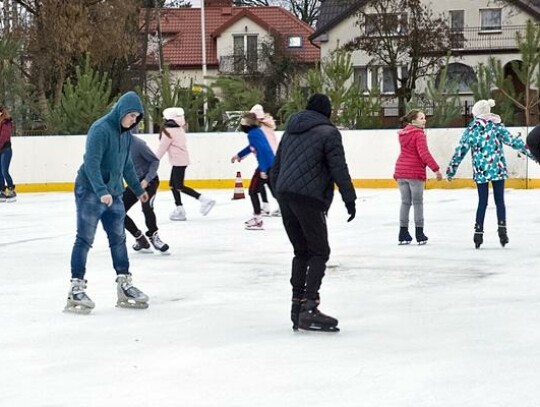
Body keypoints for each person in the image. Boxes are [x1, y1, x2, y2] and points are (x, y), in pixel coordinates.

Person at [270, 93, 356, 332]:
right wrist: (350, 198)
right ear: (327, 112)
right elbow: (339, 168)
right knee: (319, 251)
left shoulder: (290, 131)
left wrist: (279, 194)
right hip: (309, 199)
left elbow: (275, 168)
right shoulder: (329, 133)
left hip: (286, 195)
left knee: (301, 252)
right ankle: (309, 307)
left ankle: (296, 307)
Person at [65, 91, 150, 314]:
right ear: (121, 111)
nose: (134, 121)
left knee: (118, 239)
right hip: (90, 191)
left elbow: (127, 165)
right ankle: (76, 287)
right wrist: (101, 190)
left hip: (114, 193)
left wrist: (138, 189)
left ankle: (124, 284)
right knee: (84, 239)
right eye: (131, 116)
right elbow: (91, 163)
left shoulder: (126, 135)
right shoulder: (100, 129)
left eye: (137, 117)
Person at [446, 99, 533, 249]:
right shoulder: (496, 127)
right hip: (497, 169)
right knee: (500, 202)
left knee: (482, 202)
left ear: (476, 113)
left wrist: (451, 169)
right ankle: (502, 231)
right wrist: (533, 154)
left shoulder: (471, 129)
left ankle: (478, 232)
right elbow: (514, 142)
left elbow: (461, 150)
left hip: (481, 171)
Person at [155, 107, 215, 221]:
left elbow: (162, 148)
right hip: (180, 161)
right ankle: (180, 209)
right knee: (173, 185)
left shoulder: (168, 131)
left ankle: (204, 200)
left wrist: (153, 160)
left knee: (179, 186)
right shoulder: (179, 129)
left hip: (178, 162)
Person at [393, 109, 442, 245]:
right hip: (414, 172)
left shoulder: (403, 134)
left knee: (405, 202)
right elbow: (424, 153)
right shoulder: (419, 134)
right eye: (421, 118)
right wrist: (436, 169)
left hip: (401, 172)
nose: (424, 120)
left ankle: (403, 233)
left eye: (424, 118)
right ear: (413, 120)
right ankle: (419, 233)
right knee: (417, 203)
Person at [123, 135, 169, 253]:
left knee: (146, 206)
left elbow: (154, 161)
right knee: (117, 211)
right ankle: (140, 238)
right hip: (134, 183)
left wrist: (146, 180)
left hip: (149, 181)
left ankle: (154, 236)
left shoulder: (138, 144)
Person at [231, 112, 275, 230]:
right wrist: (239, 155)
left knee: (253, 191)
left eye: (243, 122)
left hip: (265, 166)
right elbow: (252, 147)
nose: (241, 124)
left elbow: (263, 150)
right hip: (270, 164)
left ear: (248, 124)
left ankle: (258, 220)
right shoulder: (256, 132)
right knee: (276, 193)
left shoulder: (253, 134)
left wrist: (263, 169)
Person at [250, 104, 280, 217]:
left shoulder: (259, 129)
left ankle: (270, 207)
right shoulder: (267, 125)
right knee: (266, 184)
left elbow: (260, 147)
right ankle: (268, 206)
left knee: (261, 186)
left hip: (268, 160)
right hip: (274, 158)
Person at [0, 106, 16, 202]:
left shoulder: (6, 122)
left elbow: (4, 137)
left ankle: (11, 189)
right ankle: (1, 190)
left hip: (6, 150)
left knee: (4, 171)